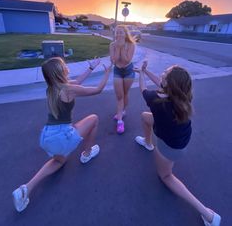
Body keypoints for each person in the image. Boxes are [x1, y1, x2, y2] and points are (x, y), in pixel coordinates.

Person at [12, 56, 111, 212]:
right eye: (64, 66)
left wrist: (91, 68)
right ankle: (86, 153)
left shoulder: (52, 88)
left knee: (59, 161)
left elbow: (76, 83)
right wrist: (107, 73)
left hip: (47, 136)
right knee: (94, 119)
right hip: (61, 135)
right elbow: (97, 90)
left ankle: (25, 189)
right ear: (60, 72)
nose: (67, 67)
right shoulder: (67, 89)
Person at [134, 62, 221, 226]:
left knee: (166, 176)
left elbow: (143, 90)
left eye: (165, 73)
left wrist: (140, 74)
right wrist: (146, 70)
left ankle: (207, 214)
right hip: (180, 137)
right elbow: (162, 84)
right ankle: (147, 143)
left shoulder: (156, 100)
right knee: (145, 117)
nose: (162, 73)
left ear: (169, 83)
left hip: (170, 146)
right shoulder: (184, 95)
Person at [109, 25, 136, 134]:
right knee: (119, 96)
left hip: (128, 71)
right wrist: (118, 47)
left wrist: (121, 48)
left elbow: (126, 60)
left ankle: (122, 111)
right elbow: (114, 61)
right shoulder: (112, 45)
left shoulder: (131, 44)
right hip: (117, 71)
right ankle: (120, 121)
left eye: (121, 32)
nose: (119, 34)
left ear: (125, 34)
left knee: (125, 94)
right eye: (117, 32)